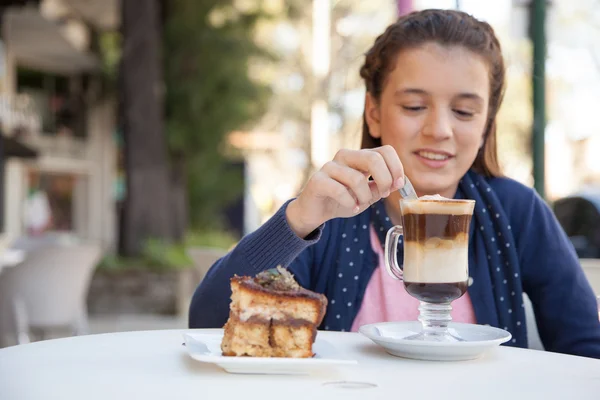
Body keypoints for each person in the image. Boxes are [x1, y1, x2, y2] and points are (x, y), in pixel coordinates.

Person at [188, 9, 600, 359]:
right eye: (414, 106)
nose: (439, 130)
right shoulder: (329, 217)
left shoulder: (515, 212)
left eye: (464, 111)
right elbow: (209, 323)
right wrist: (298, 219)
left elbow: (586, 348)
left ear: (487, 123)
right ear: (373, 112)